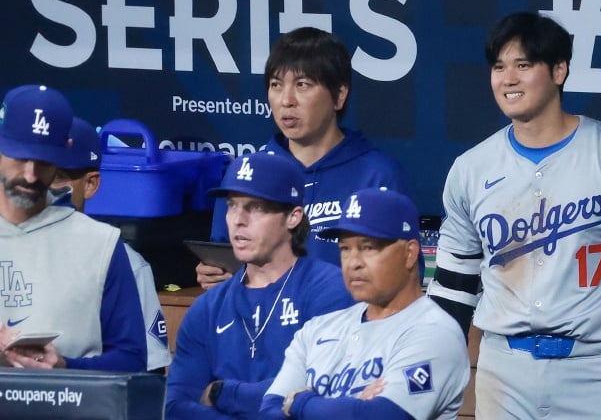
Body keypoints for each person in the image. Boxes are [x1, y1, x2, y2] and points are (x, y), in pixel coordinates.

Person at [425, 11, 601, 419]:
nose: (508, 79)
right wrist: (432, 373)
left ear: (559, 70)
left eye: (523, 65)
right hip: (504, 369)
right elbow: (453, 285)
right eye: (499, 67)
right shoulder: (471, 169)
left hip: (598, 372)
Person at [198, 26, 414, 289]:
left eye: (303, 85)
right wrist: (216, 277)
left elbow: (405, 279)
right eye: (276, 85)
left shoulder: (378, 175)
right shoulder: (245, 175)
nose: (286, 100)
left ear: (339, 95)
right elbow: (224, 263)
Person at [166, 152, 354, 419]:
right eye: (232, 206)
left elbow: (315, 395)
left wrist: (222, 392)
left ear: (293, 216)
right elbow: (176, 407)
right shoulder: (208, 308)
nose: (238, 219)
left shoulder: (330, 292)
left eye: (255, 207)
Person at [260, 187, 470, 420]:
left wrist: (301, 403)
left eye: (368, 247)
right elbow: (269, 412)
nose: (353, 263)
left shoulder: (435, 333)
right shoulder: (316, 329)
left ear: (410, 253)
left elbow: (382, 416)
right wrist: (350, 408)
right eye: (345, 249)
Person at [0, 84, 146, 371]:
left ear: (64, 151)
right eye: (20, 157)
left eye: (43, 161)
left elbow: (132, 361)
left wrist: (66, 367)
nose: (30, 175)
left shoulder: (100, 243)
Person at [48, 116, 172, 373]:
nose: (44, 186)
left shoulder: (124, 261)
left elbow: (149, 373)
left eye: (58, 176)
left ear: (90, 184)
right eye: (39, 171)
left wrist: (64, 369)